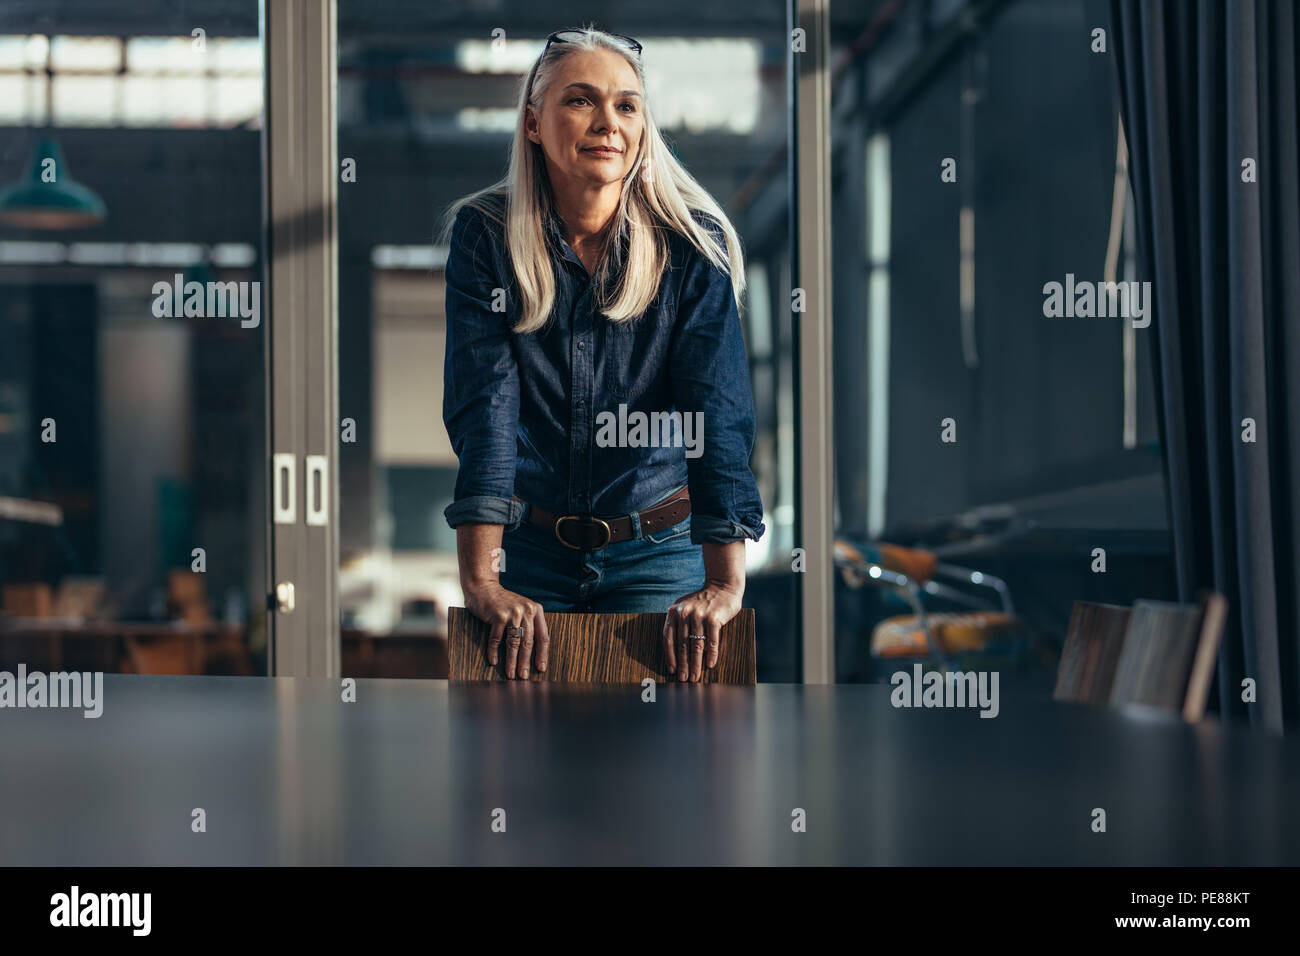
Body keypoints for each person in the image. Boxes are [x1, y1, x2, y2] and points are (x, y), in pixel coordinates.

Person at [439, 25, 765, 683]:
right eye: (580, 101)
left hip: (659, 556)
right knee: (513, 774)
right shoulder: (486, 238)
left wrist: (724, 583)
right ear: (534, 122)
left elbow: (715, 417)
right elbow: (487, 414)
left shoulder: (691, 249)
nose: (606, 123)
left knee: (664, 775)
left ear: (643, 129)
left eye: (626, 105)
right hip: (527, 555)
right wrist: (481, 580)